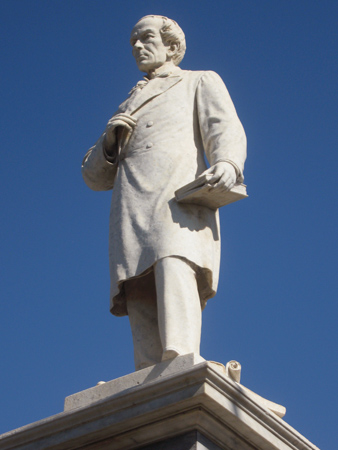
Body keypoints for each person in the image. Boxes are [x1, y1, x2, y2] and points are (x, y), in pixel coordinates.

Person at [82, 15, 246, 370]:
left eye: (146, 38)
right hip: (130, 200)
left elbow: (224, 127)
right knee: (136, 283)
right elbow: (93, 177)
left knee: (174, 261)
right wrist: (109, 142)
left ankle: (180, 353)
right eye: (133, 43)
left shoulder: (198, 80)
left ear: (171, 46)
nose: (138, 47)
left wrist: (228, 163)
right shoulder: (127, 105)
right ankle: (148, 367)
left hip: (175, 195)